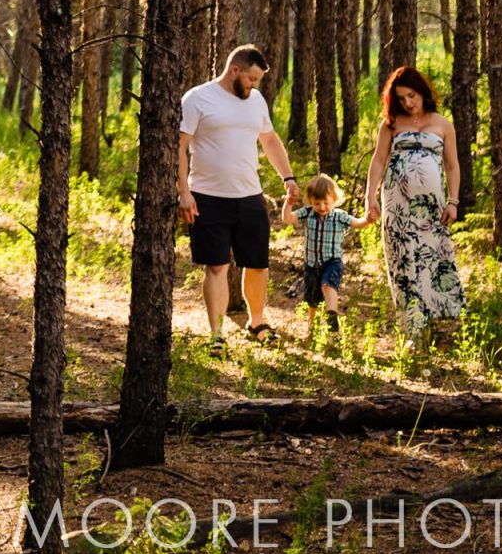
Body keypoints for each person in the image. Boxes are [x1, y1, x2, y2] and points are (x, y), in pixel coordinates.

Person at [176, 44, 301, 353]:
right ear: (235, 70)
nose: (254, 85)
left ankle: (257, 323)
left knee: (257, 265)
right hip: (207, 197)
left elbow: (270, 139)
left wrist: (289, 177)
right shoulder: (197, 98)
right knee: (216, 267)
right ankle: (216, 335)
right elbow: (180, 147)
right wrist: (184, 192)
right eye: (251, 78)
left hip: (249, 195)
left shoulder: (255, 100)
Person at [359, 64, 466, 339]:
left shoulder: (442, 124)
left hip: (432, 209)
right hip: (397, 207)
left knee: (432, 259)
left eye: (412, 96)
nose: (408, 103)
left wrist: (453, 202)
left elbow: (453, 166)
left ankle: (439, 326)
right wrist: (369, 197)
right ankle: (412, 331)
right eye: (402, 98)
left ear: (422, 91)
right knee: (402, 262)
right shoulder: (391, 124)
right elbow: (378, 161)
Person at [287, 174, 362, 336]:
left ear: (334, 199)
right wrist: (289, 204)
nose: (322, 207)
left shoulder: (339, 216)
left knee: (328, 285)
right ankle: (311, 328)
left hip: (332, 261)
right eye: (317, 203)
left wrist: (368, 218)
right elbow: (287, 219)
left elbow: (358, 223)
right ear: (310, 201)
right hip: (312, 264)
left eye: (326, 203)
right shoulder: (307, 213)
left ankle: (331, 315)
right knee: (312, 299)